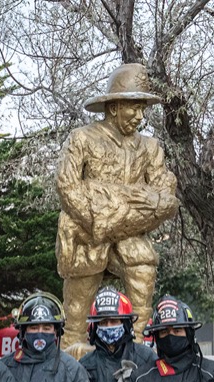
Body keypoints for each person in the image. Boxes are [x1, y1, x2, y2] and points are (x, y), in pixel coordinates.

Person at [56, 63, 180, 343]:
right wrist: (109, 212)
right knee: (80, 288)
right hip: (88, 234)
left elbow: (165, 197)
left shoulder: (150, 148)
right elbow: (68, 187)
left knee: (144, 264)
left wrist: (111, 207)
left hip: (127, 233)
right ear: (114, 107)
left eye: (142, 109)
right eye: (133, 108)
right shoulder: (82, 139)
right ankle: (73, 344)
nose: (139, 116)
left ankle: (138, 340)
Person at [80, 286, 156, 382]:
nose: (108, 326)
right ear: (95, 327)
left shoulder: (146, 358)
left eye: (114, 321)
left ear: (125, 324)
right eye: (103, 322)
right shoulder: (85, 364)